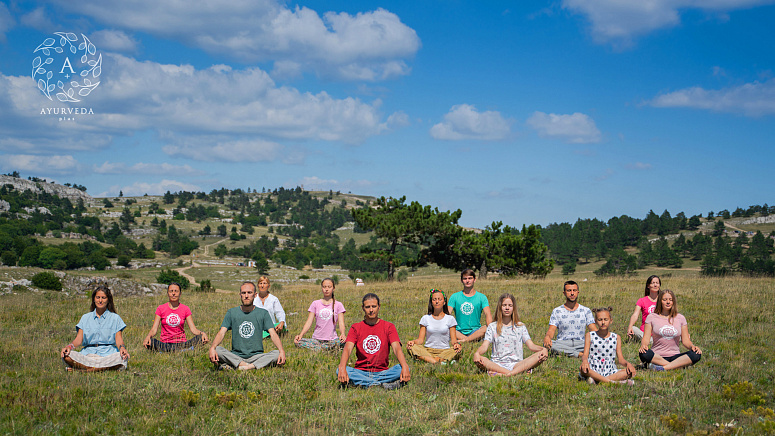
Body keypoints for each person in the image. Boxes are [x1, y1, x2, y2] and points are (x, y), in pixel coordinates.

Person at [337, 293, 411, 389]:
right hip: (361, 371)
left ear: (379, 307)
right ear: (363, 308)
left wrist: (404, 366)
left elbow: (397, 348)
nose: (371, 310)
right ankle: (381, 385)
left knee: (402, 368)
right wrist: (342, 367)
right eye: (368, 307)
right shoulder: (356, 327)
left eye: (374, 306)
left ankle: (364, 384)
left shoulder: (389, 326)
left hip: (383, 372)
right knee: (339, 370)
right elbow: (347, 349)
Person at [209, 281, 286, 370]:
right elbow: (221, 332)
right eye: (243, 293)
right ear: (240, 294)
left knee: (276, 354)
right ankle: (246, 365)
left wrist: (281, 351)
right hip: (236, 355)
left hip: (257, 356)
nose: (246, 296)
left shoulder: (263, 313)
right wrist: (212, 348)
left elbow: (273, 334)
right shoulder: (232, 312)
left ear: (255, 295)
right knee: (217, 350)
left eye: (249, 293)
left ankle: (243, 366)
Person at [473, 293, 548, 376]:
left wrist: (542, 349)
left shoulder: (520, 326)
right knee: (482, 360)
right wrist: (477, 353)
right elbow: (484, 346)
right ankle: (516, 373)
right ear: (500, 307)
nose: (507, 308)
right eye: (504, 305)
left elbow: (531, 346)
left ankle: (505, 374)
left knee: (539, 356)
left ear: (514, 308)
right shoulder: (492, 326)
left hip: (517, 364)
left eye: (510, 305)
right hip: (497, 364)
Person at [60, 285, 130, 371]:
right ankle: (99, 369)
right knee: (67, 356)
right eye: (98, 297)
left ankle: (83, 370)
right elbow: (78, 339)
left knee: (122, 358)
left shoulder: (115, 318)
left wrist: (122, 348)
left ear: (108, 300)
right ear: (94, 299)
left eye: (103, 298)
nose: (100, 300)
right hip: (88, 355)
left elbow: (118, 339)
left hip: (108, 355)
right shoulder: (85, 318)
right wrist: (69, 347)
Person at [639, 289, 702, 371]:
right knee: (643, 353)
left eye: (670, 300)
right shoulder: (652, 317)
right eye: (665, 300)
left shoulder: (680, 318)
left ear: (673, 302)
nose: (668, 302)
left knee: (696, 354)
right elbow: (646, 338)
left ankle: (662, 368)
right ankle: (677, 366)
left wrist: (692, 346)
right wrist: (644, 345)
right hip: (657, 356)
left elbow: (686, 341)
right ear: (660, 301)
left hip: (675, 356)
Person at [142, 282, 209, 352]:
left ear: (180, 294)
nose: (173, 293)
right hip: (165, 344)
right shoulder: (160, 308)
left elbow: (193, 329)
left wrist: (202, 333)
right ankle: (182, 351)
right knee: (151, 342)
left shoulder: (185, 309)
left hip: (181, 343)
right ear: (168, 293)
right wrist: (148, 337)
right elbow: (154, 329)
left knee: (200, 338)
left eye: (176, 291)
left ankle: (169, 351)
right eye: (171, 291)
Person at [580, 307, 637, 385]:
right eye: (600, 320)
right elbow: (585, 355)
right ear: (596, 321)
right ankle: (614, 383)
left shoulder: (616, 337)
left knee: (628, 372)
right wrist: (585, 361)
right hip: (593, 369)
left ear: (611, 320)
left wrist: (628, 364)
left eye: (605, 319)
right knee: (583, 369)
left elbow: (620, 359)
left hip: (610, 370)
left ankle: (598, 381)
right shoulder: (590, 335)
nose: (603, 322)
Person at [543, 280, 597, 357]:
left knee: (596, 343)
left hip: (581, 343)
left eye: (574, 290)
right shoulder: (557, 311)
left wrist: (601, 339)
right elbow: (551, 330)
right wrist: (547, 337)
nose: (572, 293)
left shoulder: (586, 310)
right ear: (564, 293)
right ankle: (579, 354)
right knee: (550, 345)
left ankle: (566, 353)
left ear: (578, 292)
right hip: (563, 343)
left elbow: (593, 329)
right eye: (569, 291)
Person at [406, 289, 462, 364]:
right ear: (431, 302)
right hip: (427, 350)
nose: (437, 301)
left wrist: (457, 345)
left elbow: (453, 340)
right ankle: (438, 361)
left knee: (457, 351)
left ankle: (427, 360)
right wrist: (413, 342)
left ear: (444, 302)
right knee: (411, 347)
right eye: (434, 299)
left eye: (439, 299)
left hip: (444, 351)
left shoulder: (450, 319)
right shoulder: (425, 318)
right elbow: (420, 340)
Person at [294, 278, 346, 351]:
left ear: (333, 288)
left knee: (346, 342)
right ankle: (325, 349)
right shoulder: (315, 303)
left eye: (329, 287)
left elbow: (341, 323)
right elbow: (309, 322)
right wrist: (301, 335)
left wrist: (342, 334)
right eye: (324, 287)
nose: (326, 289)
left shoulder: (338, 305)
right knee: (298, 342)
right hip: (317, 340)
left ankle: (322, 349)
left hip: (332, 339)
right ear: (322, 288)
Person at [448, 269, 492, 343]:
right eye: (465, 279)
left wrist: (491, 328)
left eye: (470, 278)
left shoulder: (482, 297)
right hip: (458, 331)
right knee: (446, 328)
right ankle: (470, 340)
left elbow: (488, 314)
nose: (467, 281)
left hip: (476, 331)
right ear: (461, 280)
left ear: (474, 280)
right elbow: (447, 314)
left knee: (488, 327)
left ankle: (465, 340)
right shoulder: (454, 297)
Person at [626, 275, 661, 342]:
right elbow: (635, 315)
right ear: (648, 286)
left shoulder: (663, 300)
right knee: (633, 329)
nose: (655, 285)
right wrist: (630, 326)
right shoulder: (642, 300)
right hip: (645, 333)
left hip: (660, 332)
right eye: (653, 283)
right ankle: (648, 340)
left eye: (657, 283)